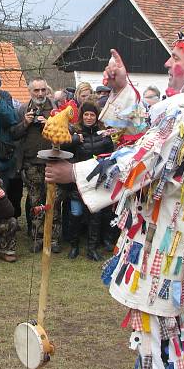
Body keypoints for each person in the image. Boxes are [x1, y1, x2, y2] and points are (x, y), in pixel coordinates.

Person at [46, 0, 184, 369]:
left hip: (165, 247)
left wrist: (76, 175)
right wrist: (121, 86)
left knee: (162, 336)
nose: (169, 64)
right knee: (165, 333)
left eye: (176, 58)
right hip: (167, 243)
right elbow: (145, 128)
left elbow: (142, 159)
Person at [12, 78, 60, 252]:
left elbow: (65, 134)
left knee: (53, 200)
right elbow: (14, 135)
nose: (40, 94)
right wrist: (25, 123)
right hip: (31, 163)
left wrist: (50, 125)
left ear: (47, 90)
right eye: (36, 90)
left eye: (43, 90)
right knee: (35, 201)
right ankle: (37, 237)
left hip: (52, 162)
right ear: (30, 91)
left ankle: (53, 238)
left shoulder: (56, 109)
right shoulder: (21, 109)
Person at [62, 101, 114, 260]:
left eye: (92, 114)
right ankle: (74, 246)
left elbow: (110, 156)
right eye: (86, 114)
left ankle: (92, 248)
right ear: (81, 116)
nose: (89, 117)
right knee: (75, 214)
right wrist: (75, 140)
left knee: (95, 214)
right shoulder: (74, 132)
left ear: (96, 116)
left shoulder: (104, 135)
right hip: (78, 180)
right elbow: (63, 148)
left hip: (97, 181)